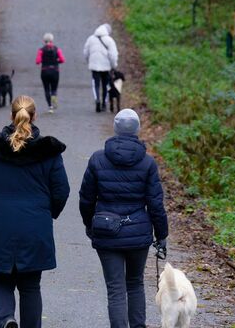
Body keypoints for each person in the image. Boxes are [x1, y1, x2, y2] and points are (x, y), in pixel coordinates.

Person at [0, 95, 70, 328]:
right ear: (34, 116)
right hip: (36, 225)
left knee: (0, 280)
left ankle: (6, 318)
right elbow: (61, 190)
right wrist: (47, 213)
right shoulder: (48, 151)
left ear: (11, 116)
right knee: (30, 286)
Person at [79, 109, 168, 328]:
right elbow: (155, 203)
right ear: (138, 130)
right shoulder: (147, 163)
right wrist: (162, 234)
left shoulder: (98, 159)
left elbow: (86, 198)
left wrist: (90, 224)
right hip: (138, 233)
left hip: (106, 232)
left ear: (115, 129)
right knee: (135, 283)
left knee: (115, 288)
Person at [83, 23, 118, 112]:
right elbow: (113, 55)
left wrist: (89, 61)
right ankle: (104, 103)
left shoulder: (91, 39)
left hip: (94, 65)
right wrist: (114, 66)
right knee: (105, 85)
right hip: (106, 66)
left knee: (96, 84)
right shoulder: (109, 40)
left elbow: (86, 52)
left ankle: (97, 99)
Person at [35, 32, 65, 113]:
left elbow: (38, 61)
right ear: (52, 40)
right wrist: (57, 60)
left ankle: (50, 107)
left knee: (46, 89)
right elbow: (62, 60)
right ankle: (54, 95)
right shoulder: (57, 49)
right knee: (54, 88)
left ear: (44, 41)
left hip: (45, 71)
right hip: (55, 71)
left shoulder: (41, 50)